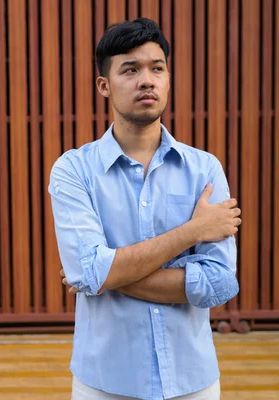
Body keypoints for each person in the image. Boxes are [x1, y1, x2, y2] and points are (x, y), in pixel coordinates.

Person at [49, 18, 241, 400]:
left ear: (168, 79)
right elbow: (89, 272)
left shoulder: (205, 168)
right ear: (104, 85)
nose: (147, 80)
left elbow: (219, 282)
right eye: (130, 70)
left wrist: (104, 274)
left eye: (157, 68)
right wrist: (192, 233)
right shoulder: (73, 169)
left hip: (193, 381)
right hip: (104, 383)